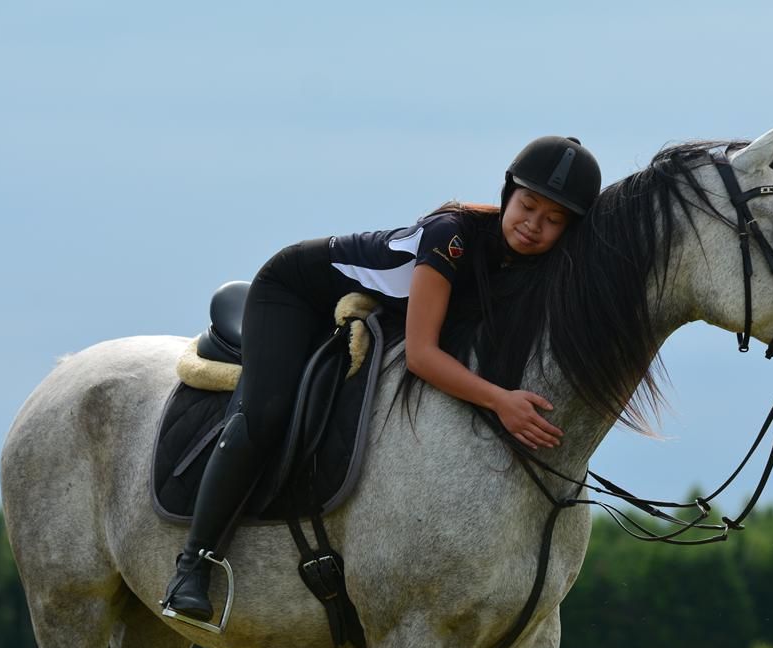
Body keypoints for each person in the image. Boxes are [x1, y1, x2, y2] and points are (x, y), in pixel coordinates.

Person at [162, 136, 602, 622]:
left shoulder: (528, 265)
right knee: (266, 414)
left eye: (553, 220)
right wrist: (500, 401)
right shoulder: (451, 237)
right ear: (508, 195)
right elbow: (421, 356)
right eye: (528, 206)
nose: (533, 225)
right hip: (294, 293)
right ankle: (193, 565)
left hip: (361, 309)